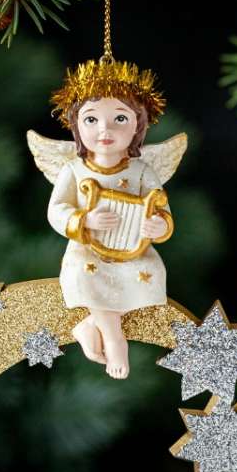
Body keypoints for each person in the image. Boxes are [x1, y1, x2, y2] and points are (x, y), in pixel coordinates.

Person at [44, 59, 175, 380]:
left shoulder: (141, 170)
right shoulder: (74, 170)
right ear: (76, 126)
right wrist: (84, 220)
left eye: (120, 118)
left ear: (137, 126)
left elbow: (161, 206)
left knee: (149, 276)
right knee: (85, 275)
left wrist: (159, 224)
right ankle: (115, 340)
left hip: (132, 251)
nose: (105, 130)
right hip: (87, 251)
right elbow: (56, 209)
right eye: (91, 119)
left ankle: (90, 325)